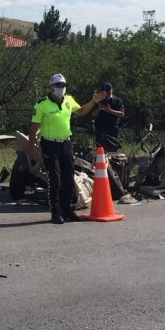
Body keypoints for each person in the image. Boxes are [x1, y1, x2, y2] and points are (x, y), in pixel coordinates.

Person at [28, 73, 103, 225]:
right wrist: (32, 146)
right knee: (54, 179)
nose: (61, 88)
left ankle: (67, 210)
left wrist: (93, 102)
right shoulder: (42, 104)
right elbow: (34, 126)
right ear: (50, 87)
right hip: (50, 144)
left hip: (66, 144)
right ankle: (55, 212)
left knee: (68, 178)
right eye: (57, 86)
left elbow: (81, 111)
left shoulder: (69, 100)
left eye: (63, 85)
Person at [91, 81, 125, 152]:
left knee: (112, 149)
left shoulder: (117, 101)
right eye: (105, 92)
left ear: (111, 90)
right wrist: (99, 108)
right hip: (100, 129)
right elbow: (93, 114)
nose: (107, 94)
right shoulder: (98, 100)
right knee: (101, 151)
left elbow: (121, 114)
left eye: (108, 92)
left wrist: (109, 110)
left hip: (112, 129)